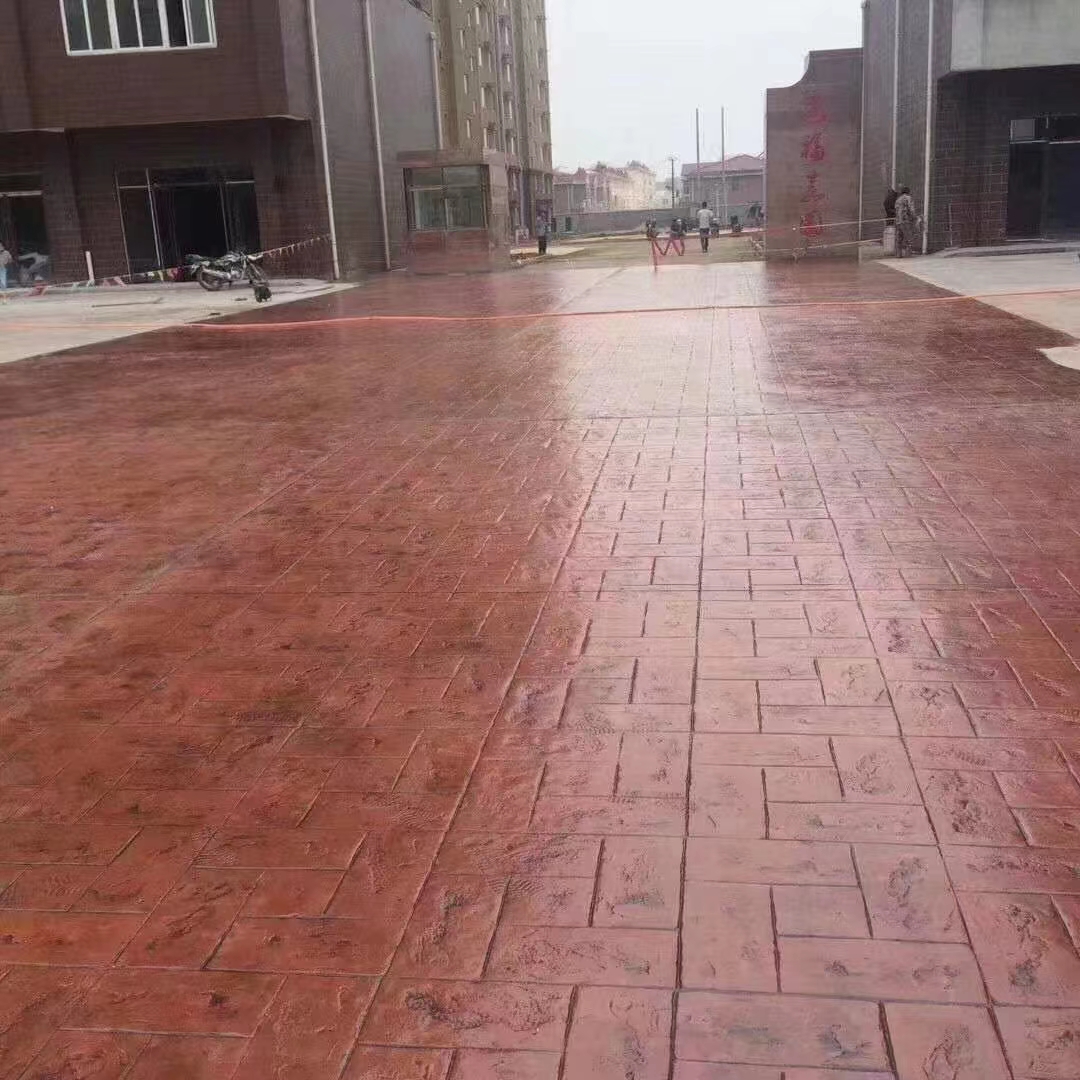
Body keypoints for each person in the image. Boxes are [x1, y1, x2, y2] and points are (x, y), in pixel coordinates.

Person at [895, 185, 920, 257]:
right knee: (909, 237)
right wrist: (915, 217)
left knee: (899, 238)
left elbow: (896, 210)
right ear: (908, 191)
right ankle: (908, 253)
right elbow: (911, 209)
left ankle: (898, 254)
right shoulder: (908, 198)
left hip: (898, 221)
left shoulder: (898, 200)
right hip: (906, 220)